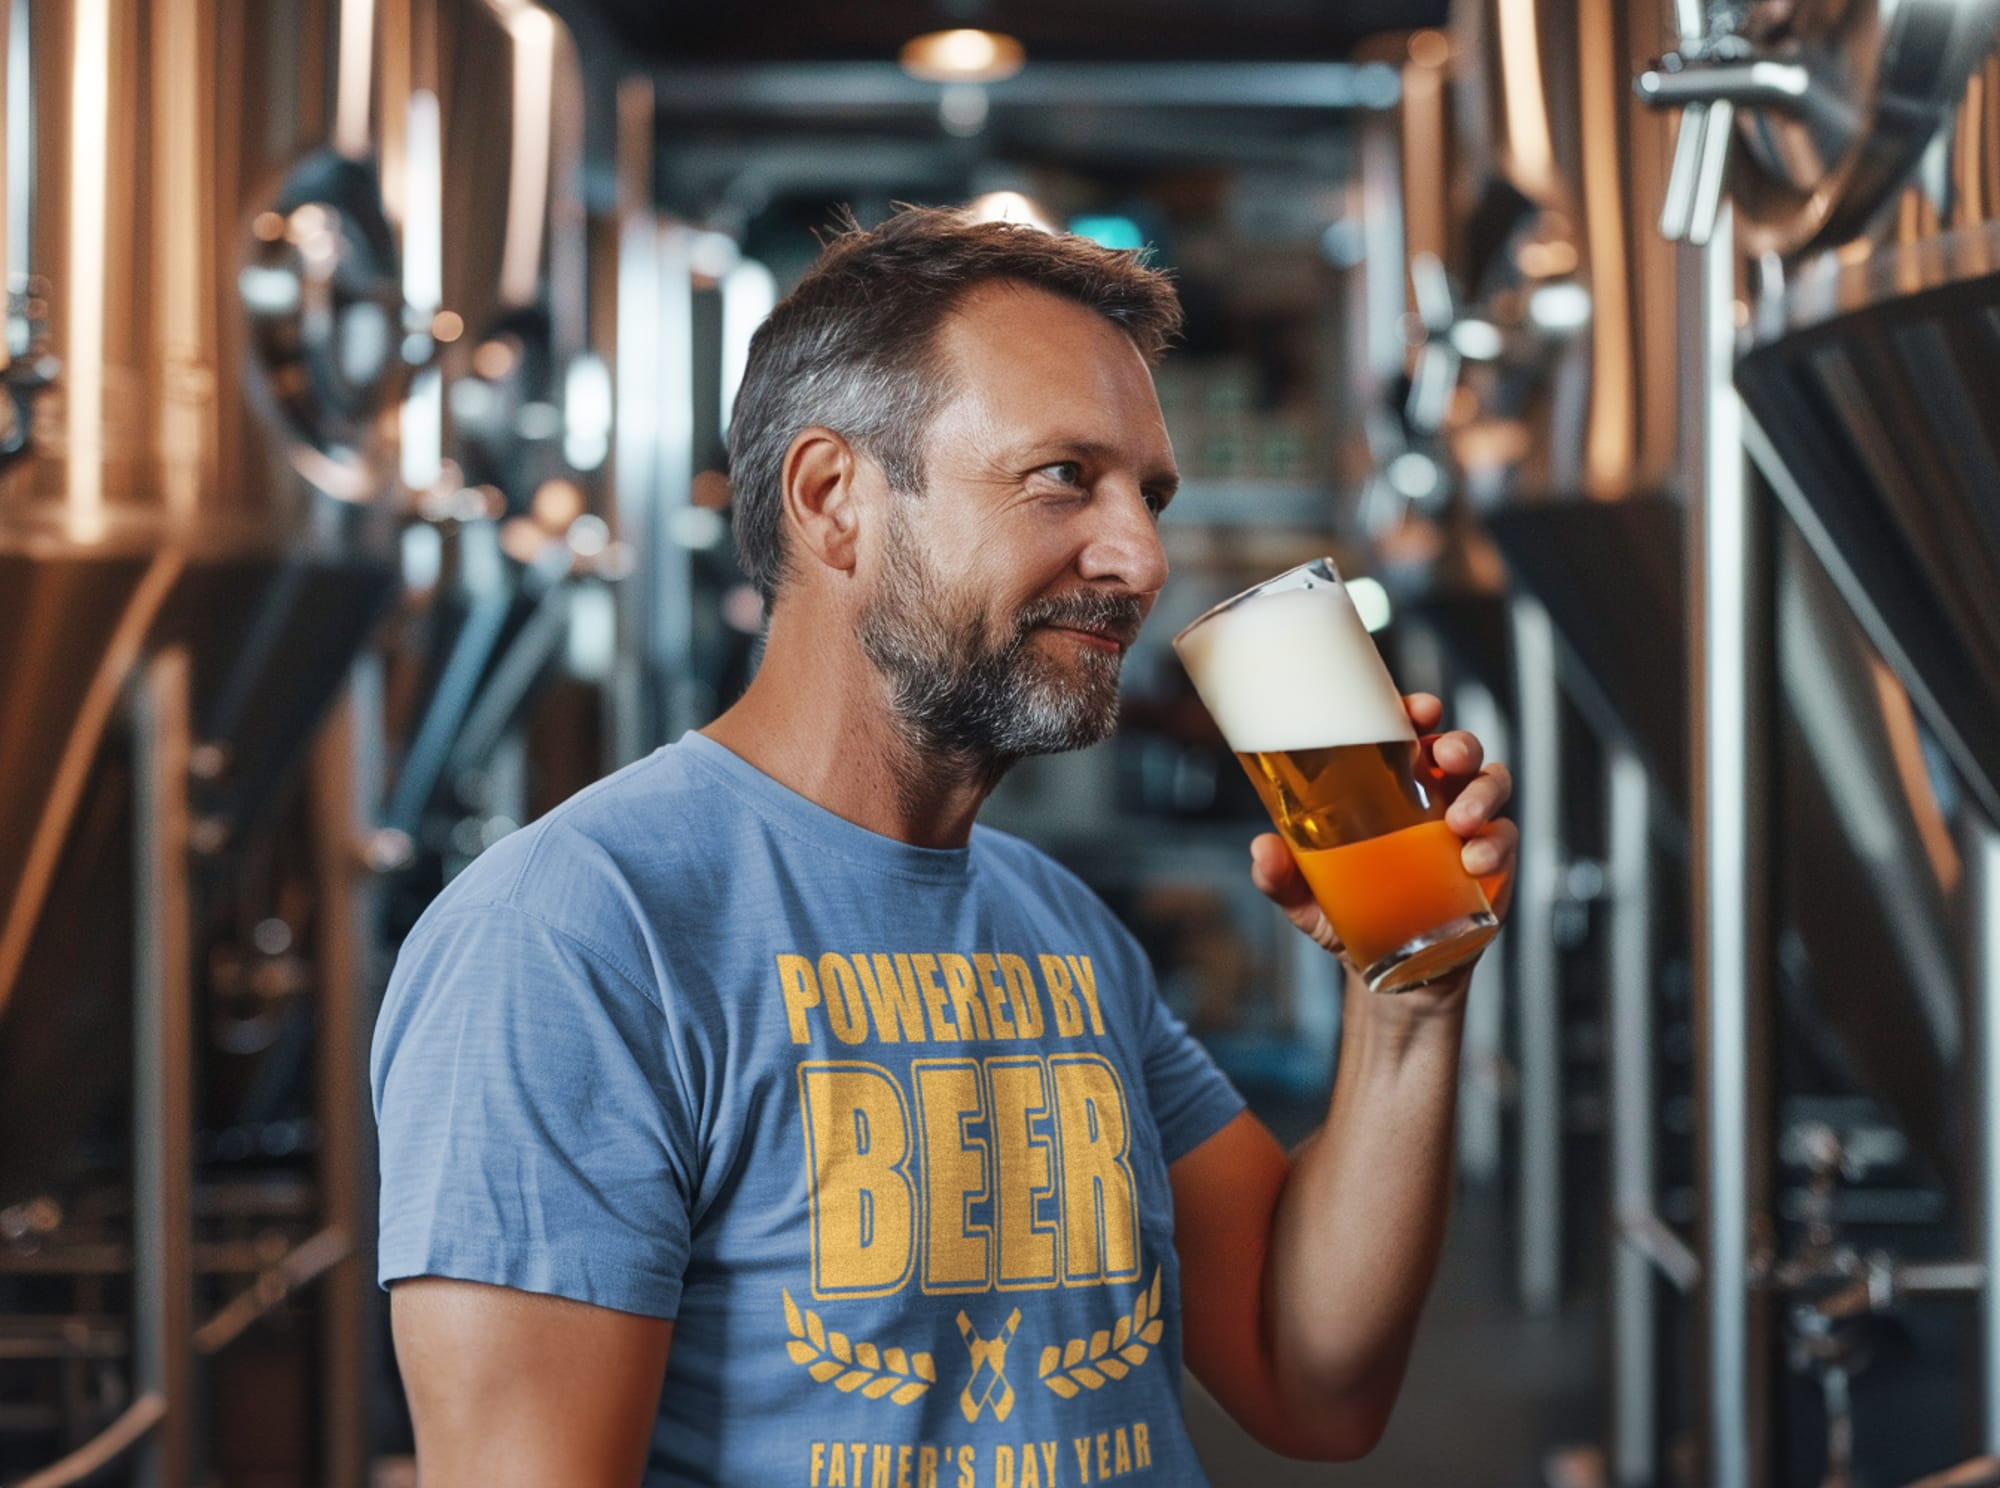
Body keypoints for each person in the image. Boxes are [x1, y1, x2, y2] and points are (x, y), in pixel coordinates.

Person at [373, 206, 1518, 1487]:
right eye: (1059, 478)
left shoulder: (1057, 921)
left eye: (1149, 494)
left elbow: (1311, 1384)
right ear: (832, 500)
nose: (1139, 558)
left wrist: (1404, 1003)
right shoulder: (571, 937)